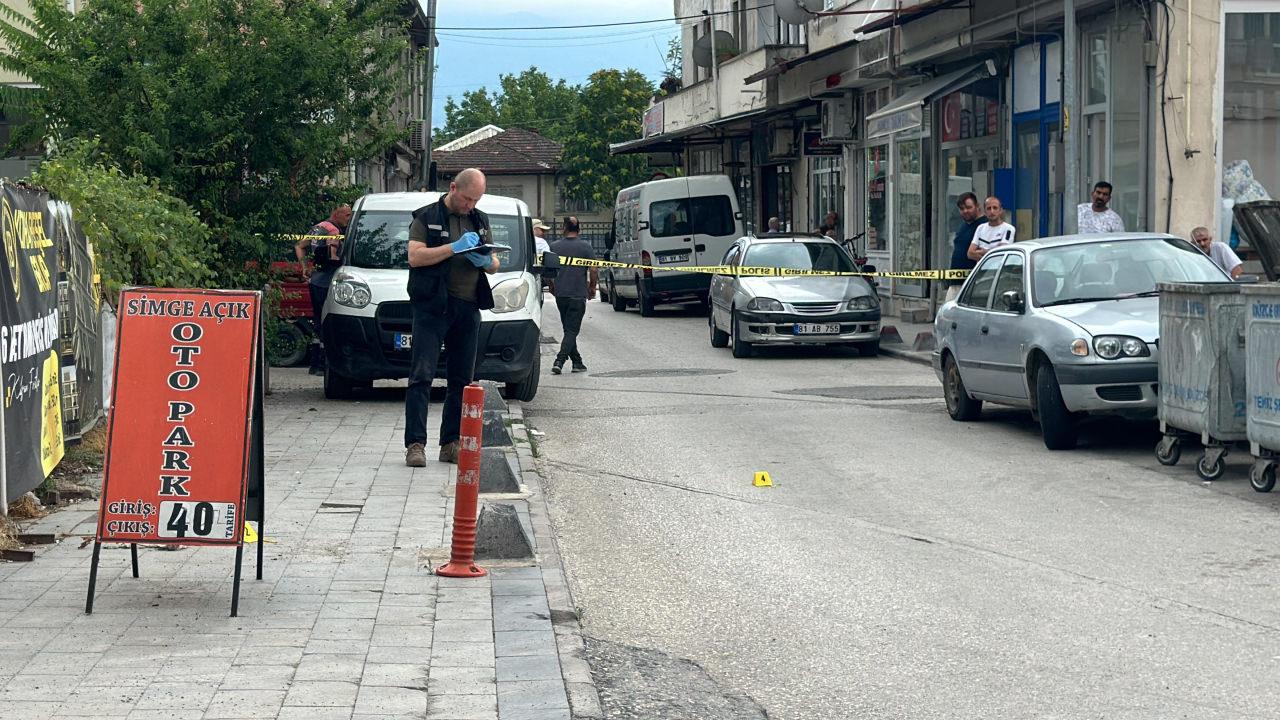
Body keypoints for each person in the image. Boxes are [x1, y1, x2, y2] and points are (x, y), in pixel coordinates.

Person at [403, 168, 500, 467]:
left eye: (476, 200)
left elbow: (495, 263)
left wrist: (486, 260)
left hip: (467, 307)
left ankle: (451, 443)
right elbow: (415, 256)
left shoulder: (479, 219)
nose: (471, 205)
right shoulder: (426, 217)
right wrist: (453, 248)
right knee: (422, 376)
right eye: (468, 199)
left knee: (461, 379)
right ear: (453, 187)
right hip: (432, 306)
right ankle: (415, 444)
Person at [296, 204, 351, 375]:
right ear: (336, 213)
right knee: (328, 322)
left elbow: (299, 246)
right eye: (347, 215)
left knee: (318, 320)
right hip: (328, 281)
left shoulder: (318, 227)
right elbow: (334, 256)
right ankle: (323, 363)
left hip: (316, 280)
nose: (349, 219)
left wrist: (305, 267)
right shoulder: (334, 231)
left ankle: (315, 364)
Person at [548, 216, 597, 375]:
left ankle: (577, 362)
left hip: (561, 294)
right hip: (577, 294)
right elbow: (594, 269)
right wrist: (592, 287)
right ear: (579, 230)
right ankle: (559, 361)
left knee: (568, 329)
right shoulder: (585, 247)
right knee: (571, 331)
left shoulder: (554, 246)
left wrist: (552, 286)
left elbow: (547, 270)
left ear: (564, 228)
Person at [946, 192, 983, 302]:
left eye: (969, 207)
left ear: (977, 206)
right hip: (955, 282)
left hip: (972, 284)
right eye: (962, 209)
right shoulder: (964, 225)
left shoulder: (984, 226)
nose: (965, 211)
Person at [968, 196, 1016, 262]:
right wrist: (992, 252)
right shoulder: (980, 228)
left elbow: (1002, 252)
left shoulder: (1009, 229)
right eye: (988, 208)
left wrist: (983, 251)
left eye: (995, 208)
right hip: (983, 268)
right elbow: (970, 253)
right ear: (985, 212)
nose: (992, 211)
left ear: (1000, 210)